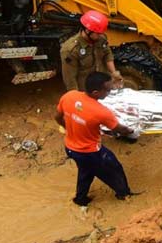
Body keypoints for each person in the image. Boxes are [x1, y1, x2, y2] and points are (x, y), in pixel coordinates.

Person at [54, 71, 138, 206]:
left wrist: (70, 128)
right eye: (108, 90)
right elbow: (118, 128)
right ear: (95, 93)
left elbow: (57, 117)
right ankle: (123, 194)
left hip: (70, 147)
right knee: (114, 168)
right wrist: (132, 131)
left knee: (85, 171)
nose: (109, 93)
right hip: (90, 152)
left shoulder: (69, 96)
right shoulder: (101, 112)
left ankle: (80, 199)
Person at [61, 10, 123, 92]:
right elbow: (70, 79)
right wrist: (77, 98)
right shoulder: (71, 50)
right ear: (87, 30)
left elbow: (107, 54)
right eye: (98, 33)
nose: (101, 35)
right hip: (85, 91)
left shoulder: (100, 39)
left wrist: (114, 73)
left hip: (101, 87)